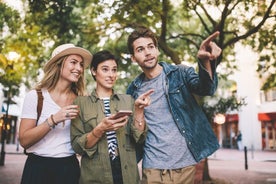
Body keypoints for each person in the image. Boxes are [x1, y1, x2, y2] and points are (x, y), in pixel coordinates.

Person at [126, 26, 222, 183]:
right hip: (152, 166)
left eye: (151, 47)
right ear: (133, 57)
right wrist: (137, 110)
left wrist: (204, 61)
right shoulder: (133, 89)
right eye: (140, 49)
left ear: (157, 50)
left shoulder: (180, 73)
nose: (148, 52)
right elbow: (136, 135)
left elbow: (207, 88)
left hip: (184, 166)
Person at [70, 50, 154, 184]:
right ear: (93, 71)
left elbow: (139, 138)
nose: (111, 75)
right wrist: (100, 129)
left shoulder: (128, 100)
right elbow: (77, 146)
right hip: (96, 175)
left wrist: (139, 110)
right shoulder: (80, 103)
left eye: (114, 70)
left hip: (127, 174)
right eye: (105, 69)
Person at [19, 43, 92, 184]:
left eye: (81, 64)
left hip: (68, 169)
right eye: (73, 62)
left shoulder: (82, 100)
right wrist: (53, 120)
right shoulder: (35, 96)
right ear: (59, 65)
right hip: (37, 168)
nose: (79, 68)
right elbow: (24, 140)